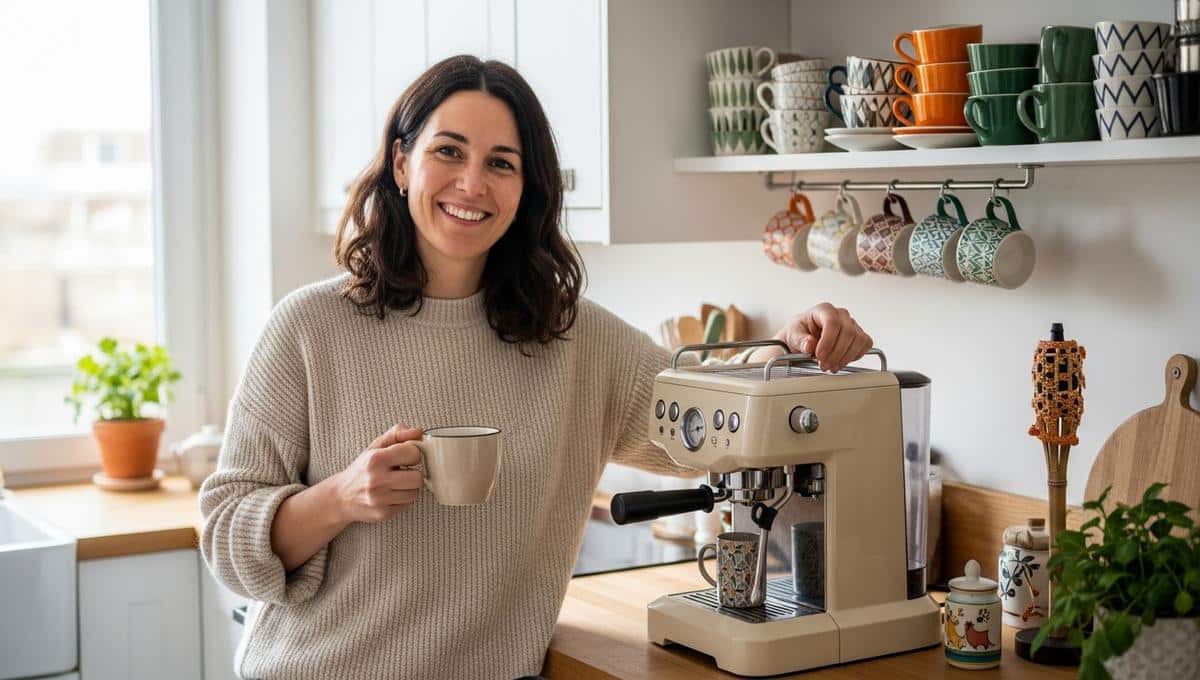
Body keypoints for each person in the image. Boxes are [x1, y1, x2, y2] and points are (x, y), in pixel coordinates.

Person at [199, 55, 873, 680]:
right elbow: (227, 538)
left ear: (526, 189)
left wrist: (789, 351)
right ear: (402, 164)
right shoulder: (309, 328)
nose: (472, 183)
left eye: (501, 163)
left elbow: (702, 421)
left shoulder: (574, 338)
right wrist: (342, 497)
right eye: (448, 151)